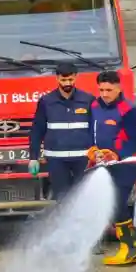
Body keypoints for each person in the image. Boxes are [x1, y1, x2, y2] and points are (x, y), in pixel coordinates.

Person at [87, 70, 136, 266]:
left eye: (109, 90)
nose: (104, 94)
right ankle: (132, 249)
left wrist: (118, 154)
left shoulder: (130, 110)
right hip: (106, 162)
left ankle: (128, 249)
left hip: (129, 162)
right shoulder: (94, 106)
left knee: (119, 202)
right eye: (101, 89)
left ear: (118, 88)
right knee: (112, 203)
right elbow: (91, 132)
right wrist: (92, 149)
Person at [28, 66, 94, 200]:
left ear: (76, 77)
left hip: (83, 159)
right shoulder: (46, 102)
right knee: (62, 198)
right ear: (57, 78)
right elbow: (37, 130)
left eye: (70, 79)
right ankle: (66, 221)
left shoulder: (88, 100)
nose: (67, 83)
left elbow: (96, 129)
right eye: (64, 80)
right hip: (56, 161)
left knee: (84, 196)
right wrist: (33, 158)